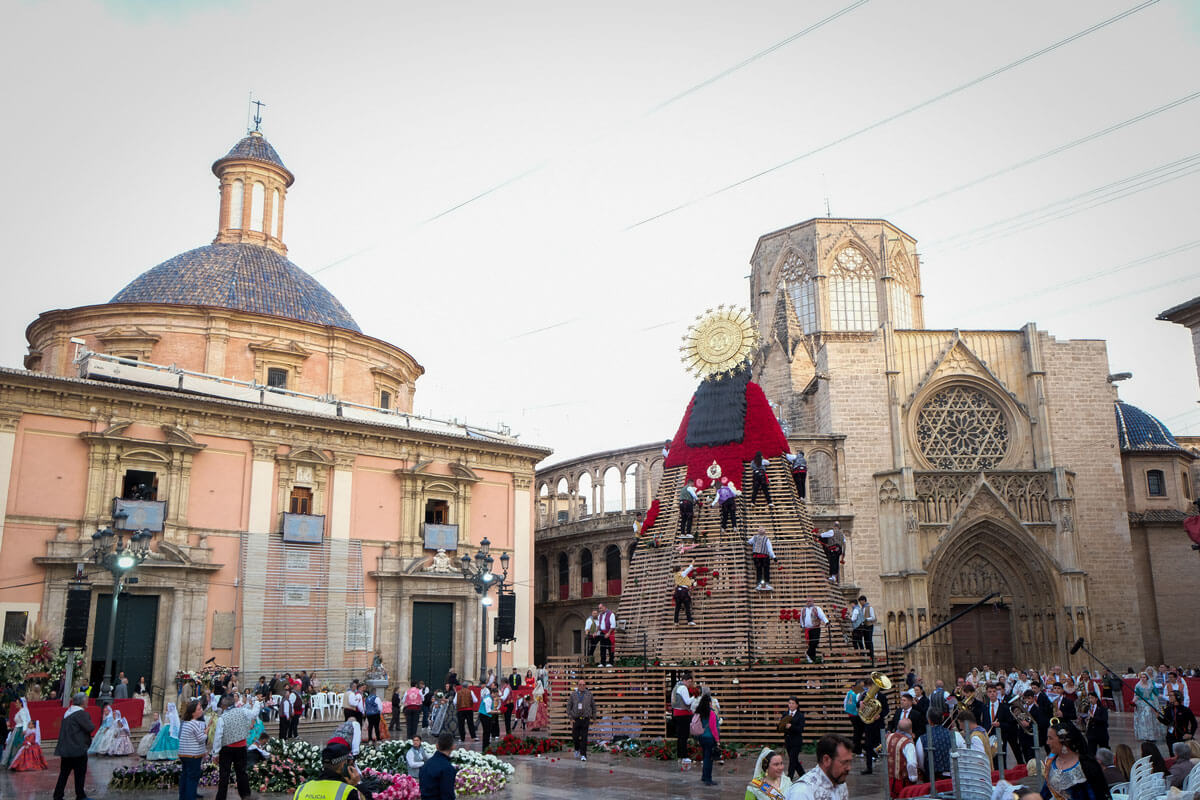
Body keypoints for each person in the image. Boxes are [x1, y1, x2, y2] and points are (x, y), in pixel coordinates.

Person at [1038, 721, 1111, 800]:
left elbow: (1098, 795)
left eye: (1050, 738)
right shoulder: (1051, 763)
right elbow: (1045, 794)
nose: (1047, 742)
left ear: (1064, 741)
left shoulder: (1086, 765)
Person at [211, 693, 256, 800]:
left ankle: (221, 798)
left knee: (224, 775)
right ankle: (245, 796)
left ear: (224, 706)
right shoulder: (243, 711)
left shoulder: (223, 718)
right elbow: (254, 714)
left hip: (227, 748)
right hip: (241, 747)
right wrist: (257, 703)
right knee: (242, 773)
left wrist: (215, 753)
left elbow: (218, 737)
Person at [52, 693, 95, 800]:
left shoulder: (68, 712)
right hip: (77, 748)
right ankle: (80, 795)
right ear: (82, 701)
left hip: (66, 749)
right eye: (86, 700)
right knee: (80, 774)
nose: (87, 701)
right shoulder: (81, 713)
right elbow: (90, 727)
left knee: (64, 774)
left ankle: (58, 795)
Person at [291, 739, 364, 800]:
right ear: (343, 765)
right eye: (349, 763)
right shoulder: (348, 792)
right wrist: (356, 785)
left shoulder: (302, 789)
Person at [786, 734, 853, 800]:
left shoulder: (840, 783)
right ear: (826, 760)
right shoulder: (802, 792)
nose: (849, 768)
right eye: (844, 762)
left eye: (850, 762)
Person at [178, 699, 208, 800]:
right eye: (199, 709)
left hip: (184, 754)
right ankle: (190, 796)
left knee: (185, 775)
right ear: (193, 713)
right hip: (193, 755)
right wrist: (206, 732)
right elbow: (201, 739)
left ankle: (184, 796)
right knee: (192, 777)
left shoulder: (185, 722)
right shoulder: (195, 723)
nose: (201, 710)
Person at [886, 718, 919, 798]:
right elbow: (912, 763)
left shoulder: (889, 737)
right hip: (903, 782)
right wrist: (914, 778)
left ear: (898, 727)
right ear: (910, 729)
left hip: (890, 780)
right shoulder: (908, 744)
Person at [419, 732, 457, 800]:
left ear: (436, 746)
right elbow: (448, 795)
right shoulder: (448, 768)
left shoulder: (426, 764)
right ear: (453, 747)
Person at [1132, 671, 1166, 743]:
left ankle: (1151, 736)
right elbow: (1136, 695)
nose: (1143, 678)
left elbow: (1156, 693)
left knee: (1150, 719)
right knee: (1143, 720)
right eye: (1141, 677)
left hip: (1150, 703)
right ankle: (1144, 735)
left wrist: (1165, 697)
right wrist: (1133, 702)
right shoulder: (1138, 686)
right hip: (1141, 704)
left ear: (1147, 678)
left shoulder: (1151, 685)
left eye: (1144, 677)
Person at [694, 692, 720, 786]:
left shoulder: (699, 712)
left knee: (705, 757)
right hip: (709, 738)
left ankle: (704, 776)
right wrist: (717, 740)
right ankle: (708, 779)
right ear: (709, 703)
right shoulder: (711, 713)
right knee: (709, 759)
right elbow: (714, 728)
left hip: (701, 737)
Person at [567, 678, 596, 762]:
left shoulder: (589, 694)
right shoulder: (573, 695)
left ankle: (583, 754)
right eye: (580, 685)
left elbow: (593, 706)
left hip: (585, 719)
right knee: (575, 736)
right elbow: (569, 706)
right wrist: (570, 717)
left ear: (585, 686)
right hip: (576, 719)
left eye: (583, 685)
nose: (582, 686)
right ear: (578, 685)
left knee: (584, 737)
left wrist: (594, 717)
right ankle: (577, 748)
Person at [778, 696, 805, 780]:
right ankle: (803, 775)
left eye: (793, 703)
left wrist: (791, 726)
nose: (791, 705)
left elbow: (800, 729)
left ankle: (789, 778)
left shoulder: (800, 715)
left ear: (797, 705)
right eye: (789, 703)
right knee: (794, 760)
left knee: (793, 760)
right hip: (788, 741)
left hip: (796, 741)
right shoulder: (785, 714)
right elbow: (781, 726)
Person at [672, 673, 696, 764]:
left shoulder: (676, 686)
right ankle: (684, 756)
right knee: (684, 736)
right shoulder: (683, 688)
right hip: (683, 714)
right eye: (689, 682)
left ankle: (680, 756)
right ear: (684, 680)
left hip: (676, 714)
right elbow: (687, 701)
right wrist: (695, 696)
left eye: (691, 682)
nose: (689, 684)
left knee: (680, 737)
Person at [800, 599, 828, 663]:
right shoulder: (803, 609)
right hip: (807, 629)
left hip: (815, 628)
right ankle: (812, 658)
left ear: (813, 602)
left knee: (815, 643)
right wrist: (802, 625)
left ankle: (807, 653)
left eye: (810, 601)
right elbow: (801, 618)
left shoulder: (817, 608)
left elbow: (822, 616)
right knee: (811, 644)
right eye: (807, 601)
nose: (808, 602)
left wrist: (827, 622)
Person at [478, 686, 495, 752]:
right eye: (495, 694)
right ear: (492, 693)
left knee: (487, 732)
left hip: (485, 715)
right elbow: (488, 711)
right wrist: (497, 712)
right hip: (485, 716)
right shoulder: (489, 699)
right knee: (486, 732)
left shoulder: (489, 697)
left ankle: (486, 746)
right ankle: (485, 747)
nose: (496, 696)